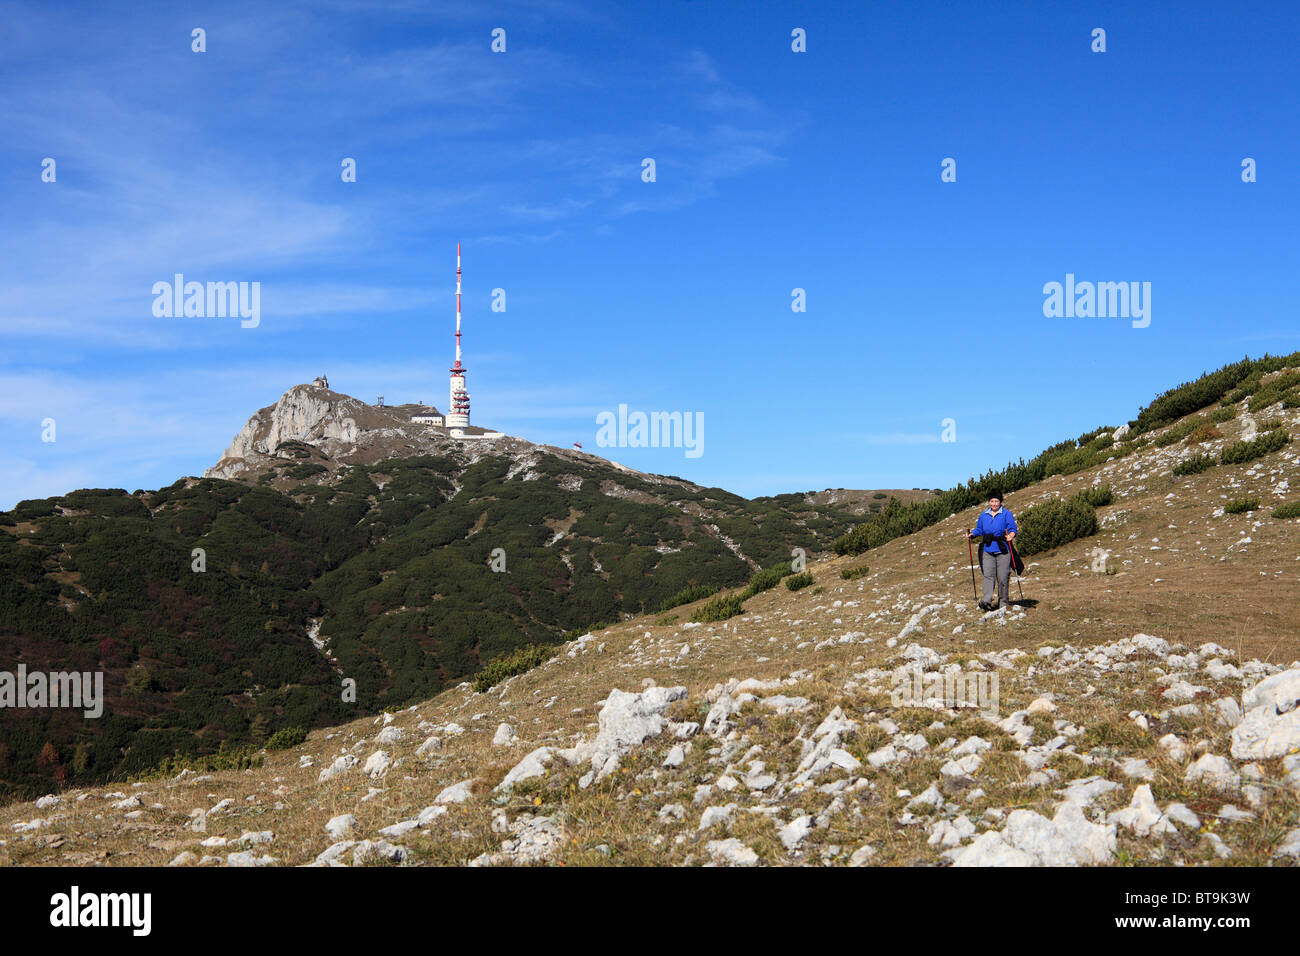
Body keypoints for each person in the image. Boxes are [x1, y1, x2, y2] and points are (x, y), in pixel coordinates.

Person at [965, 491, 1018, 611]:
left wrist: (1011, 535)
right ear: (989, 502)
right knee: (988, 576)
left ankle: (1003, 603)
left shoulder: (1006, 514)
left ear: (1000, 502)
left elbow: (1013, 528)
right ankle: (986, 601)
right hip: (988, 549)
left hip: (1003, 549)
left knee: (1003, 577)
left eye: (996, 501)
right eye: (992, 501)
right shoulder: (984, 515)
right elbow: (979, 529)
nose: (994, 504)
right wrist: (972, 534)